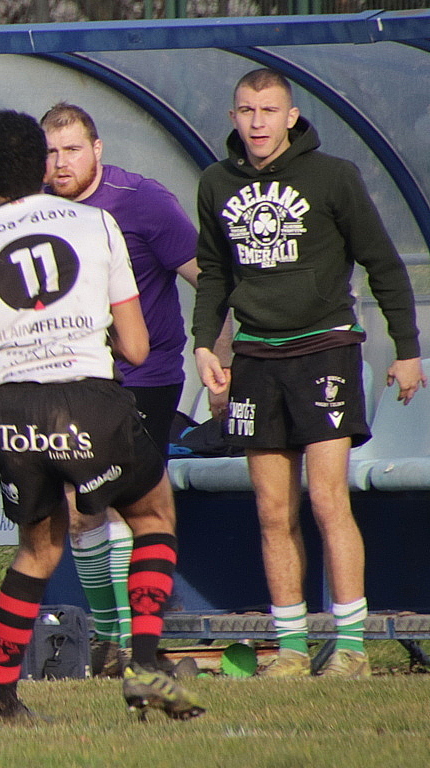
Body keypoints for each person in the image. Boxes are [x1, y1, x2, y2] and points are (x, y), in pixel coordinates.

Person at [0, 109, 204, 723]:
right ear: (44, 164)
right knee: (153, 512)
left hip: (9, 413)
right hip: (87, 398)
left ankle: (0, 698)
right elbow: (135, 348)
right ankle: (146, 664)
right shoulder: (98, 224)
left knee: (37, 548)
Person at [190, 69, 424, 678]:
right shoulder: (216, 183)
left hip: (325, 350)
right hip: (256, 359)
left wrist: (407, 349)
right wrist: (203, 345)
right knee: (272, 509)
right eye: (246, 110)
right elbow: (213, 273)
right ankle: (291, 650)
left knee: (326, 498)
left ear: (291, 116)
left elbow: (384, 264)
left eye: (269, 110)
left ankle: (350, 649)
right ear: (235, 116)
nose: (258, 121)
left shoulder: (333, 176)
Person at [42, 102, 198, 676]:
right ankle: (110, 641)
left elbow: (205, 274)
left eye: (73, 150)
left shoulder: (142, 201)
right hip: (76, 381)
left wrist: (219, 348)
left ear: (98, 149)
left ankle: (139, 640)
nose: (61, 164)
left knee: (130, 505)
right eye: (51, 152)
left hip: (145, 377)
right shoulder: (37, 212)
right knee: (82, 509)